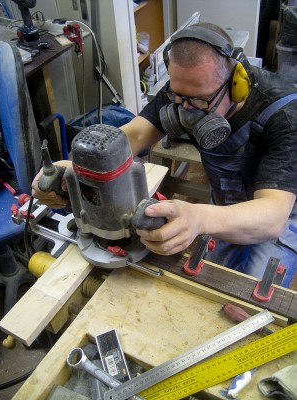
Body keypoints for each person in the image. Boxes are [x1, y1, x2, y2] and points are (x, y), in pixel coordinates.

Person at [31, 22, 297, 288]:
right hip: (223, 207)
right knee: (206, 285)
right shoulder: (185, 91)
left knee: (243, 304)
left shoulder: (284, 115)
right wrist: (81, 167)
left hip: (277, 218)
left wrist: (199, 218)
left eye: (199, 102)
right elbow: (133, 136)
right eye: (178, 97)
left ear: (237, 85)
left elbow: (272, 215)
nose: (185, 111)